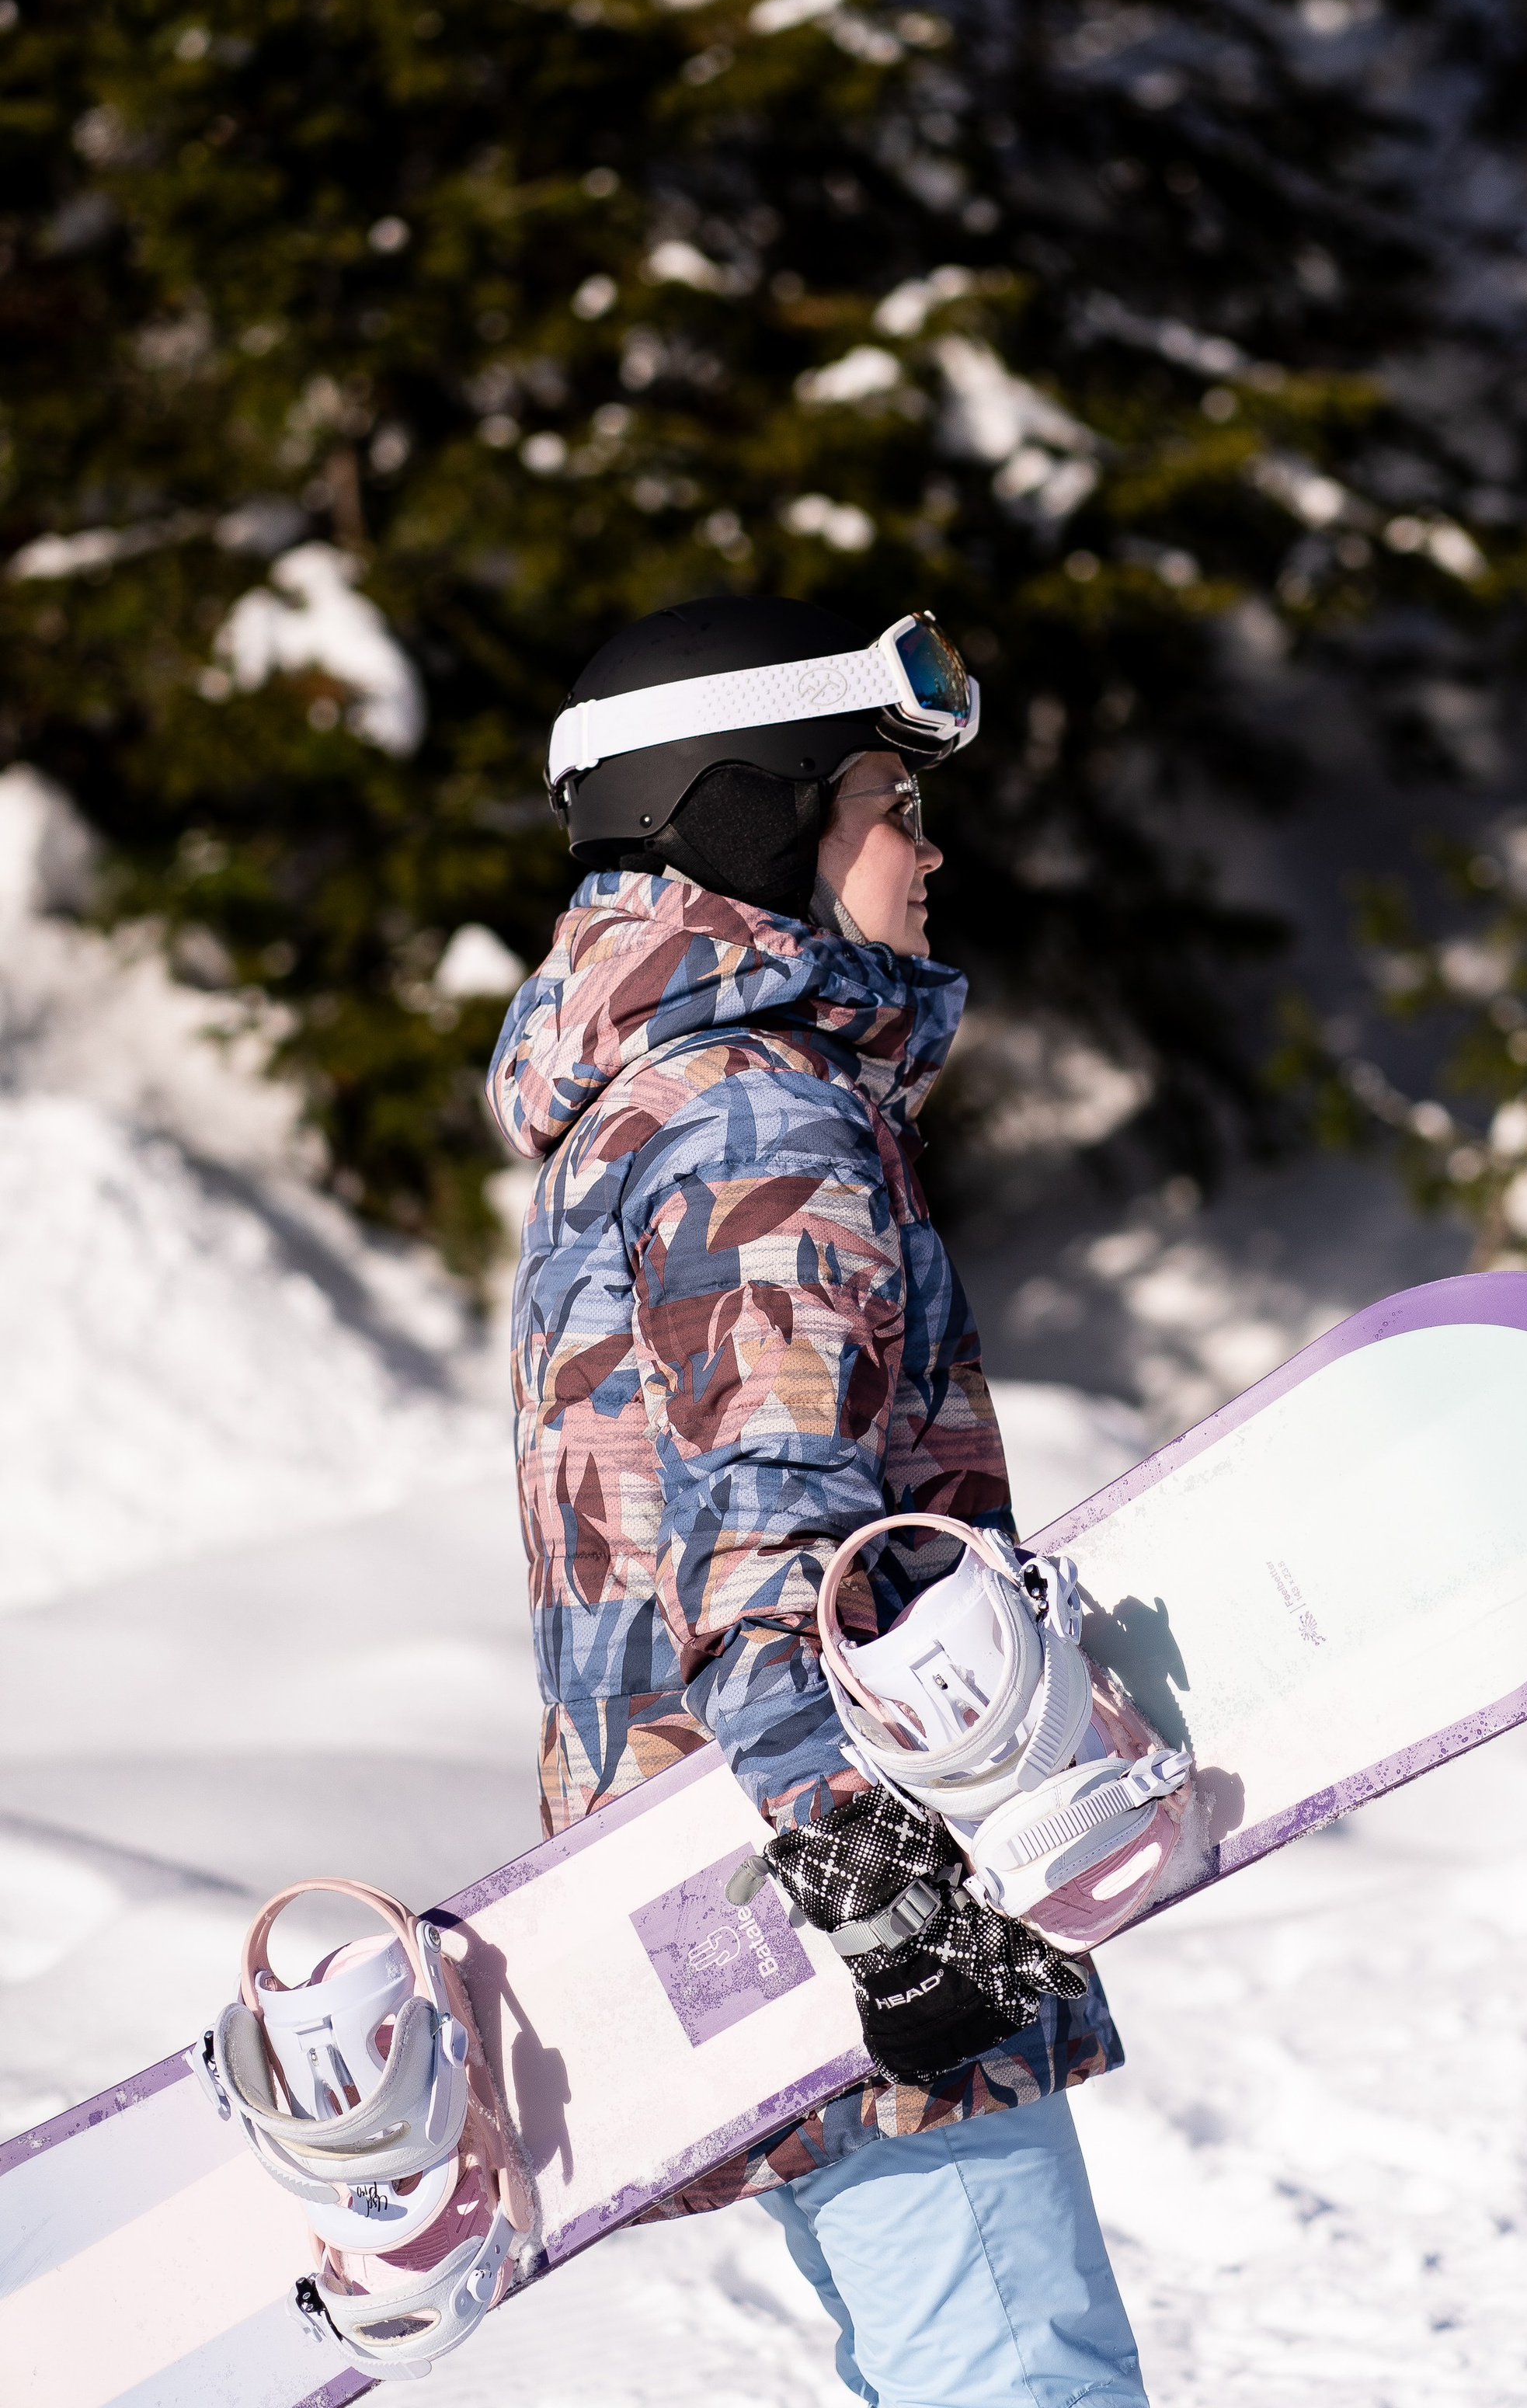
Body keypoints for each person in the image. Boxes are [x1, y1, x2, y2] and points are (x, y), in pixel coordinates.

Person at [486, 594, 1150, 2408]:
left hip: (738, 1882)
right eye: (887, 804)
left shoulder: (651, 1104)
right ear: (749, 815)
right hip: (848, 1884)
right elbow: (766, 1535)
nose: (928, 852)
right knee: (1013, 2375)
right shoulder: (753, 1117)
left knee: (950, 2364)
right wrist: (874, 1889)